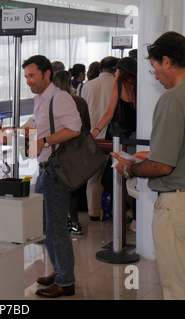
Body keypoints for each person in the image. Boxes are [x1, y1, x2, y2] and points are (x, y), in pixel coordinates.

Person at [113, 31, 185, 300]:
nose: (153, 74)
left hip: (180, 206)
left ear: (167, 61)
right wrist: (153, 156)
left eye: (154, 65)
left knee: (180, 288)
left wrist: (129, 168)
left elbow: (163, 167)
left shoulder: (174, 98)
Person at [23, 55, 81, 298]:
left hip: (56, 170)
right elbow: (38, 122)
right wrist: (19, 131)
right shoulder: (41, 99)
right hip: (45, 169)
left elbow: (74, 128)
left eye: (32, 75)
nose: (29, 81)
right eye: (26, 77)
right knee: (45, 226)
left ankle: (66, 281)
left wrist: (43, 141)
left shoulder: (60, 98)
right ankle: (59, 272)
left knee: (56, 228)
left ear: (47, 74)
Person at [92, 57, 137, 230]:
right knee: (135, 180)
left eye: (117, 70)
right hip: (136, 140)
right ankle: (134, 216)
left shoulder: (118, 86)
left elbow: (109, 113)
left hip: (119, 140)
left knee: (108, 178)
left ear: (121, 71)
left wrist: (95, 132)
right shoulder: (139, 88)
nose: (115, 73)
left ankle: (128, 212)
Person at [53, 70, 90, 235]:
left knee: (55, 187)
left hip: (57, 150)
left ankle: (60, 221)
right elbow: (86, 127)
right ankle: (74, 222)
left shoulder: (53, 102)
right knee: (72, 188)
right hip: (76, 150)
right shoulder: (80, 102)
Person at [82, 56, 119, 221]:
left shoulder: (87, 85)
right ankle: (119, 211)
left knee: (93, 178)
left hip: (92, 136)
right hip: (112, 138)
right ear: (114, 69)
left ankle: (93, 213)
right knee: (118, 175)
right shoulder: (117, 84)